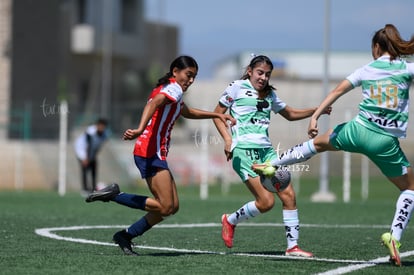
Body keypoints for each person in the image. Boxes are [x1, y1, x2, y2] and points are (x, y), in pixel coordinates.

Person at [254, 24, 414, 266]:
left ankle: (272, 164)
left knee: (318, 144)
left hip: (357, 130)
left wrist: (316, 116)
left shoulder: (366, 69)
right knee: (410, 188)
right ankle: (395, 236)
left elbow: (337, 91)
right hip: (384, 141)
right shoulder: (407, 68)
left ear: (376, 47)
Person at [84, 55, 236, 256]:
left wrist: (215, 114)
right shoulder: (173, 88)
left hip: (154, 152)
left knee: (172, 207)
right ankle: (114, 195)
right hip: (149, 151)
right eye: (188, 75)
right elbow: (155, 102)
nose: (190, 80)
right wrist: (139, 129)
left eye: (194, 77)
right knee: (164, 206)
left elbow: (186, 111)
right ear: (175, 72)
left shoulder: (174, 91)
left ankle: (125, 235)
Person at [213, 55, 331, 257]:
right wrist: (227, 139)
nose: (263, 77)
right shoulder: (236, 87)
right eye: (260, 73)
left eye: (267, 74)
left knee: (289, 196)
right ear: (250, 71)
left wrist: (316, 110)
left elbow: (290, 114)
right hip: (243, 151)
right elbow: (217, 114)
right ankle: (230, 220)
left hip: (267, 152)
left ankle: (292, 247)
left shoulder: (269, 95)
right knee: (266, 202)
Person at [74, 118, 109, 194]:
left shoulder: (104, 134)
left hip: (91, 152)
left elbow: (98, 146)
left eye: (103, 126)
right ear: (97, 125)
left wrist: (94, 156)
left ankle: (93, 189)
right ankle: (85, 189)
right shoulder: (90, 132)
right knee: (85, 169)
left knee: (94, 169)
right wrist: (85, 158)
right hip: (82, 150)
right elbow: (87, 145)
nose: (102, 128)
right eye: (100, 126)